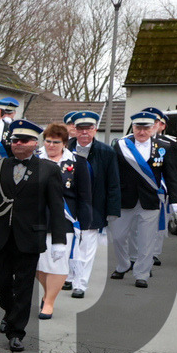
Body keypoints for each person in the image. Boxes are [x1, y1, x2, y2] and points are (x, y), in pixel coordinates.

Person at [0, 120, 67, 352]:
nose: (17, 144)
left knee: (24, 286)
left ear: (35, 143)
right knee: (2, 282)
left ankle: (16, 332)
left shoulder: (49, 169)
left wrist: (59, 240)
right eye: (14, 140)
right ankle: (9, 311)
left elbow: (56, 206)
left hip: (29, 238)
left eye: (23, 140)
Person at [109, 112, 177, 288]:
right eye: (138, 128)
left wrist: (175, 200)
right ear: (132, 127)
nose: (141, 132)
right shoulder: (120, 146)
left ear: (153, 128)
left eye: (146, 128)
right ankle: (124, 264)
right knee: (118, 237)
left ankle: (141, 274)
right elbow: (112, 174)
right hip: (124, 199)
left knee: (146, 240)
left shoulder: (164, 146)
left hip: (150, 200)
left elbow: (171, 175)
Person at [34, 123, 91, 318]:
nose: (51, 145)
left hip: (65, 219)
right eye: (48, 141)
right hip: (38, 217)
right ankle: (48, 293)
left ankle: (49, 302)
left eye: (55, 142)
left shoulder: (78, 163)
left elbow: (84, 196)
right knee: (39, 263)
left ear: (64, 143)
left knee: (58, 263)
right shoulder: (34, 159)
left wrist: (85, 223)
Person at [66, 111, 121, 298]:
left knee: (87, 248)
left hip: (94, 207)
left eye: (88, 129)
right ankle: (70, 275)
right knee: (70, 244)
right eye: (80, 129)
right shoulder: (65, 148)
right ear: (74, 130)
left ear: (95, 129)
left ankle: (80, 284)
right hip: (69, 206)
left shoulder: (107, 152)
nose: (83, 133)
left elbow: (113, 183)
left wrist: (112, 211)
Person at [144, 107, 177, 266]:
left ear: (162, 126)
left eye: (157, 122)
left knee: (159, 223)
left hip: (162, 189)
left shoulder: (169, 144)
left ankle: (154, 252)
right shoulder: (131, 142)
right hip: (139, 190)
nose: (153, 125)